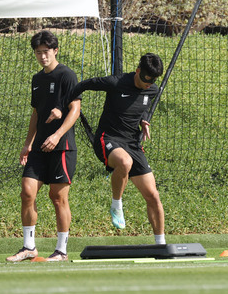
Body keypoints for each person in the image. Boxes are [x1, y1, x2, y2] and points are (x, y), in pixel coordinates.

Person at [69, 53, 166, 245]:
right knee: (124, 162)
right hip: (108, 139)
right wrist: (67, 102)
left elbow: (143, 105)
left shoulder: (152, 90)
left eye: (153, 81)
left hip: (132, 144)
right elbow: (84, 84)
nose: (149, 84)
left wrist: (144, 119)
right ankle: (116, 205)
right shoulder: (116, 82)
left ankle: (161, 244)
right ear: (138, 71)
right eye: (146, 79)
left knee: (153, 195)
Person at [6, 30, 81, 262]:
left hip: (62, 147)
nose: (42, 57)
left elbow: (75, 110)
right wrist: (28, 144)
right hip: (38, 148)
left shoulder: (67, 75)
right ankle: (29, 247)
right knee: (27, 192)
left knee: (57, 197)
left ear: (55, 50)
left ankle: (61, 250)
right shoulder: (37, 79)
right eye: (38, 53)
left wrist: (58, 135)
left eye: (46, 52)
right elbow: (36, 113)